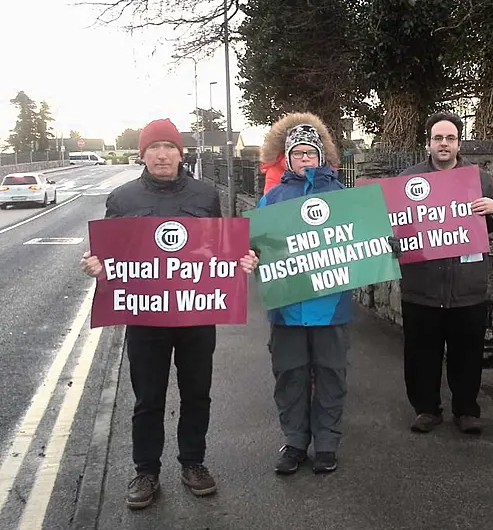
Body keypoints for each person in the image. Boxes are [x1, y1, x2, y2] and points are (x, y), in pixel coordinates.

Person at [80, 118, 258, 509]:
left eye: (169, 147)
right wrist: (98, 266)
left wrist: (239, 263)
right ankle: (146, 470)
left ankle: (193, 462)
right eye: (153, 147)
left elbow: (218, 251)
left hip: (196, 315)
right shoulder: (122, 199)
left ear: (181, 152)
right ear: (142, 154)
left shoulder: (205, 195)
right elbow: (110, 256)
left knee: (197, 393)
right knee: (148, 397)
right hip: (145, 317)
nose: (162, 154)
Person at [399, 112, 493, 435]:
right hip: (421, 286)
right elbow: (392, 225)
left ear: (458, 143)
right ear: (428, 143)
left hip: (467, 288)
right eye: (438, 138)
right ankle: (425, 409)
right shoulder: (408, 180)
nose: (444, 143)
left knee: (467, 353)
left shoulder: (479, 179)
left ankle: (466, 410)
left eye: (450, 138)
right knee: (422, 353)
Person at [256, 115, 357, 475]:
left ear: (321, 155)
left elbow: (362, 240)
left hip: (331, 308)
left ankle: (326, 443)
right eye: (297, 153)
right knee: (290, 376)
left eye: (309, 152)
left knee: (331, 375)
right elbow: (258, 245)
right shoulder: (272, 198)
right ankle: (295, 442)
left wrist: (381, 244)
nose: (304, 159)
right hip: (286, 309)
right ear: (288, 157)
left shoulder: (342, 196)